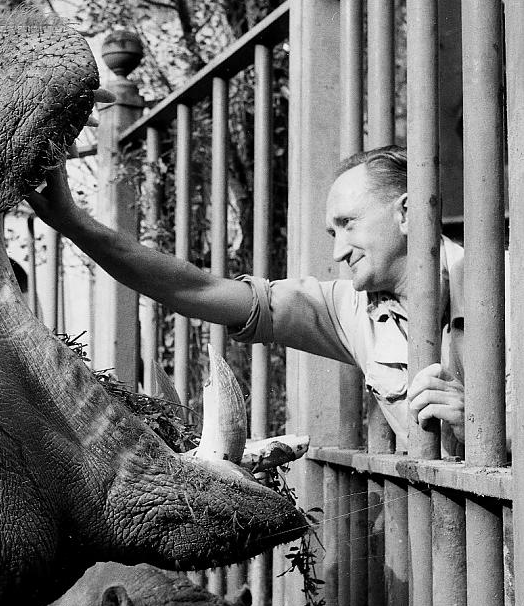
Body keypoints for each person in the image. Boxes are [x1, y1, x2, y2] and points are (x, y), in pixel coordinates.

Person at [28, 145, 509, 455]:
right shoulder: (349, 308)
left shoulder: (509, 285)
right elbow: (198, 291)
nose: (338, 251)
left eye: (348, 224)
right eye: (330, 231)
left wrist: (488, 432)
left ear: (407, 212)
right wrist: (73, 222)